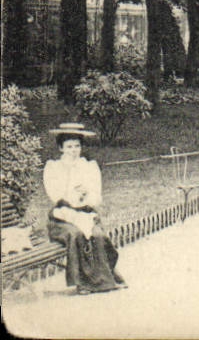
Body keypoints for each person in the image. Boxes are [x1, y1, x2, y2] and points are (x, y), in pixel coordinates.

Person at [42, 123, 125, 294]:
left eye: (77, 146)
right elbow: (55, 194)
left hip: (85, 214)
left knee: (98, 235)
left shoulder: (88, 167)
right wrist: (72, 197)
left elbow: (96, 195)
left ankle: (106, 276)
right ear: (61, 148)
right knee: (76, 235)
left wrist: (86, 194)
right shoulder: (54, 167)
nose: (74, 150)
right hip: (62, 217)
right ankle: (83, 283)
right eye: (69, 146)